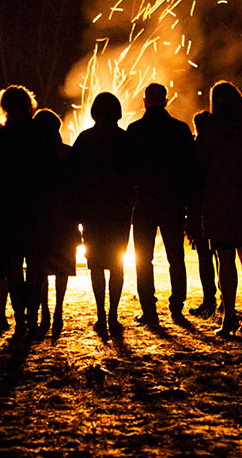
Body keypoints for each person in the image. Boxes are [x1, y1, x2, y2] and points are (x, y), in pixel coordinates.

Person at [193, 81, 242, 336]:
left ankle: (228, 317)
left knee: (225, 260)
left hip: (219, 200)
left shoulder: (212, 130)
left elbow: (200, 163)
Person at [0, 85, 57, 339]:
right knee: (37, 267)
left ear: (4, 107)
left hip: (9, 215)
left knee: (14, 268)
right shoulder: (43, 138)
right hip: (38, 213)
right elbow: (53, 177)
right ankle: (32, 316)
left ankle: (20, 319)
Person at [126, 83, 195, 325]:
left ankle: (149, 309)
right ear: (166, 101)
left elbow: (127, 169)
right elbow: (190, 168)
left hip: (143, 202)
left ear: (145, 101)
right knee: (175, 257)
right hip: (173, 202)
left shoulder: (134, 131)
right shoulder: (180, 130)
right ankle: (177, 306)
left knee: (143, 257)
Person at [71, 92, 134, 336]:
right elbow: (133, 174)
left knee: (96, 264)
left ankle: (101, 315)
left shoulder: (85, 139)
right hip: (118, 211)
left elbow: (73, 176)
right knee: (116, 263)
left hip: (92, 211)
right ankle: (114, 315)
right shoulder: (125, 139)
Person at [33, 108, 76, 338]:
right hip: (65, 219)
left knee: (40, 268)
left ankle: (45, 311)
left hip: (40, 219)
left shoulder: (33, 157)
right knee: (62, 268)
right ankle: (58, 309)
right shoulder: (67, 153)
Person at [188, 110, 218, 317]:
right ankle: (225, 299)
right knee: (223, 256)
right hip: (220, 205)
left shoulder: (197, 147)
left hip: (200, 207)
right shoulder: (221, 146)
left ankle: (209, 299)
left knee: (205, 257)